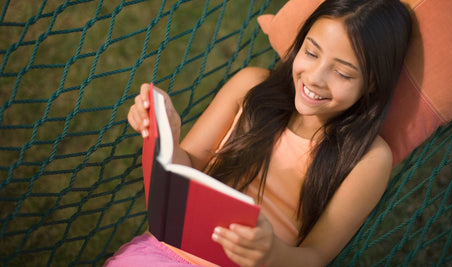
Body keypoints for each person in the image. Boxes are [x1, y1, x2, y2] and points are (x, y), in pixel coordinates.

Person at [107, 0, 412, 266]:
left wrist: (272, 254)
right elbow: (183, 172)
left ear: (372, 83)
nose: (315, 78)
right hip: (165, 252)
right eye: (311, 52)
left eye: (342, 73)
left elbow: (316, 256)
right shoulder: (251, 88)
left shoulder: (367, 158)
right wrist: (167, 136)